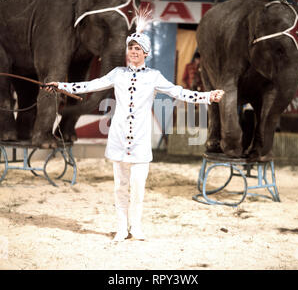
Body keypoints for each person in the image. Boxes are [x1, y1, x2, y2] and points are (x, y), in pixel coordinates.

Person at [43, 33, 224, 242]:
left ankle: (135, 227)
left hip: (140, 140)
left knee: (138, 186)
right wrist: (60, 86)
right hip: (118, 137)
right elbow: (90, 85)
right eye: (131, 48)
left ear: (146, 53)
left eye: (138, 49)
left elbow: (178, 92)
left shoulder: (154, 76)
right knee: (120, 186)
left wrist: (207, 96)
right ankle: (121, 228)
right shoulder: (117, 73)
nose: (133, 52)